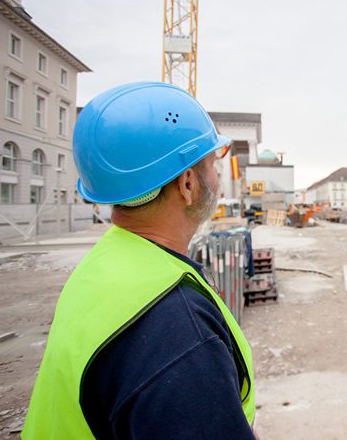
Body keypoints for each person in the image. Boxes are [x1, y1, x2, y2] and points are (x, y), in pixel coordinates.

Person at [24, 82, 256, 439]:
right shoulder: (178, 334)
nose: (219, 176)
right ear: (188, 184)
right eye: (213, 163)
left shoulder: (103, 265)